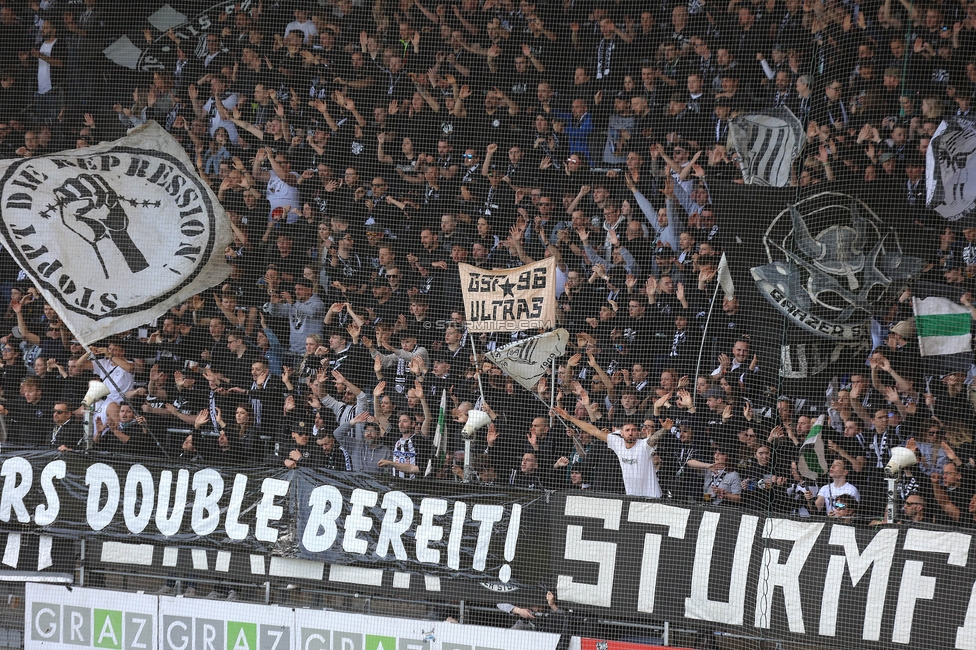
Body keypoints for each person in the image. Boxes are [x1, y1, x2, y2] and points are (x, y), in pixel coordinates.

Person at [552, 407, 662, 497]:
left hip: (652, 498)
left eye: (633, 430)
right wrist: (570, 418)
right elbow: (593, 430)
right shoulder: (617, 442)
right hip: (631, 498)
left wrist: (665, 429)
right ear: (621, 433)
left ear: (638, 433)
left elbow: (654, 438)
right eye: (627, 430)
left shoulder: (644, 445)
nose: (630, 433)